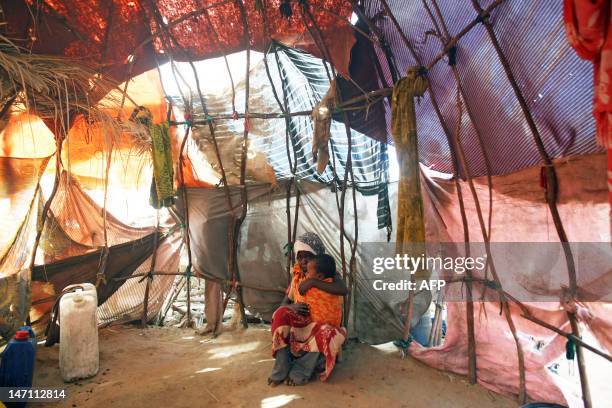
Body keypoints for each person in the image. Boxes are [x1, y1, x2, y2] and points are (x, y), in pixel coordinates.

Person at [268, 232, 348, 386]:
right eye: (300, 256)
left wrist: (313, 282)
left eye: (308, 256)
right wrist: (291, 306)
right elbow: (285, 301)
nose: (303, 260)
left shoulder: (327, 272)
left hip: (322, 326)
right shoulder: (297, 275)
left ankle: (300, 371)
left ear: (317, 256)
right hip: (302, 323)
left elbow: (343, 289)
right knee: (280, 314)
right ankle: (281, 368)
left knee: (324, 331)